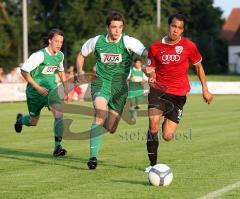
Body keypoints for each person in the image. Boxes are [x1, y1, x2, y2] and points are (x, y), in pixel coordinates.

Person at [76, 11, 148, 169]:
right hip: (101, 83)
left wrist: (150, 65)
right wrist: (80, 71)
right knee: (100, 113)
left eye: (120, 27)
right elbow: (81, 55)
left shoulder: (128, 41)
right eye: (114, 27)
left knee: (111, 128)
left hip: (120, 88)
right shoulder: (97, 41)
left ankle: (99, 126)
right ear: (107, 28)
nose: (117, 30)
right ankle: (93, 158)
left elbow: (145, 53)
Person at [143, 13, 213, 172]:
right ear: (169, 26)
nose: (175, 30)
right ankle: (152, 166)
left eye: (179, 28)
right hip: (158, 91)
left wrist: (205, 89)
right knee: (152, 123)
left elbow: (198, 67)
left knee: (167, 136)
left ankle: (166, 119)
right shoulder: (154, 47)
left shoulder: (189, 46)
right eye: (173, 26)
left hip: (178, 95)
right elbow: (150, 69)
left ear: (183, 30)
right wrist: (151, 76)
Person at [14, 28, 68, 156]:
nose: (59, 44)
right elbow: (24, 71)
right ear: (50, 41)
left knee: (59, 113)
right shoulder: (39, 55)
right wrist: (37, 87)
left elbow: (60, 70)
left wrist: (66, 86)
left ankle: (57, 147)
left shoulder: (60, 55)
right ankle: (21, 119)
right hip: (34, 93)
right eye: (56, 41)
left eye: (61, 42)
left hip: (51, 90)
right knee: (33, 121)